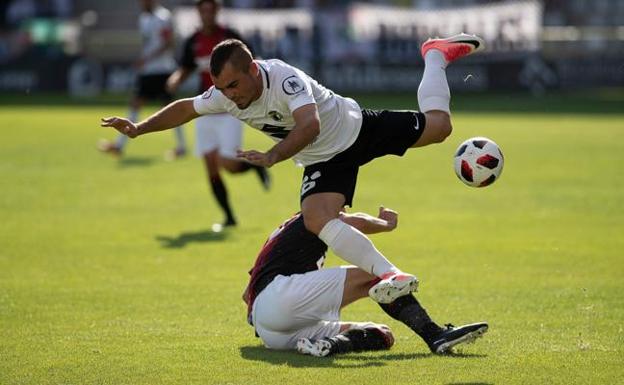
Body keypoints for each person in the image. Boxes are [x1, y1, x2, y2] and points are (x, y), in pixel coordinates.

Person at [100, 33, 485, 300]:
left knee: (440, 128)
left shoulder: (284, 79)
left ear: (252, 69)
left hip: (357, 128)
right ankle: (391, 275)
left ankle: (434, 54)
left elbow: (310, 125)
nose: (227, 96)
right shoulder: (226, 96)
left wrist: (272, 157)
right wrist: (139, 129)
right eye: (220, 88)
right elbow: (186, 108)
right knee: (317, 216)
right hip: (324, 159)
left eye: (232, 85)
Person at [242, 207, 488, 356]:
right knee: (375, 275)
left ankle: (329, 346)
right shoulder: (315, 214)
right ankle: (435, 335)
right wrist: (386, 224)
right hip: (280, 299)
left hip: (271, 333)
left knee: (381, 334)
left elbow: (247, 294)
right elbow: (354, 222)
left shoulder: (281, 235)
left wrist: (270, 316)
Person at [166, 0, 270, 228]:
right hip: (204, 109)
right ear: (198, 13)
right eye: (202, 11)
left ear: (216, 11)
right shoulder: (193, 41)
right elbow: (186, 67)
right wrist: (175, 80)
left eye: (210, 10)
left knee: (228, 164)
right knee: (211, 166)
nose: (206, 15)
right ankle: (229, 217)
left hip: (229, 108)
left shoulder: (230, 36)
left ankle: (254, 167)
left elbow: (252, 60)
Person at [98, 0, 187, 160]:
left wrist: (147, 59)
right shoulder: (144, 18)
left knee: (169, 108)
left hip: (162, 70)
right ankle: (119, 145)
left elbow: (168, 43)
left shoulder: (163, 17)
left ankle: (181, 147)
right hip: (149, 70)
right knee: (138, 103)